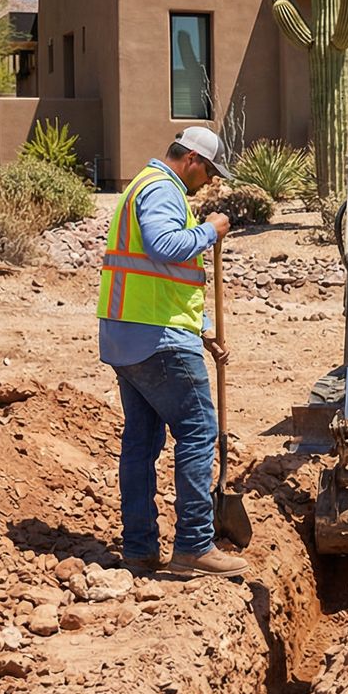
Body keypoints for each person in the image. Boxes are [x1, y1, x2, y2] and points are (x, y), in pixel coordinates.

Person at [98, 126, 248, 578]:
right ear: (192, 161)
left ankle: (140, 548)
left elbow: (159, 277)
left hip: (128, 337)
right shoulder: (164, 189)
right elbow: (165, 248)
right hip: (159, 341)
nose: (207, 182)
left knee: (141, 444)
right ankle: (193, 547)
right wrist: (210, 229)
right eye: (208, 172)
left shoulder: (138, 187)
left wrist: (202, 328)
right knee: (199, 432)